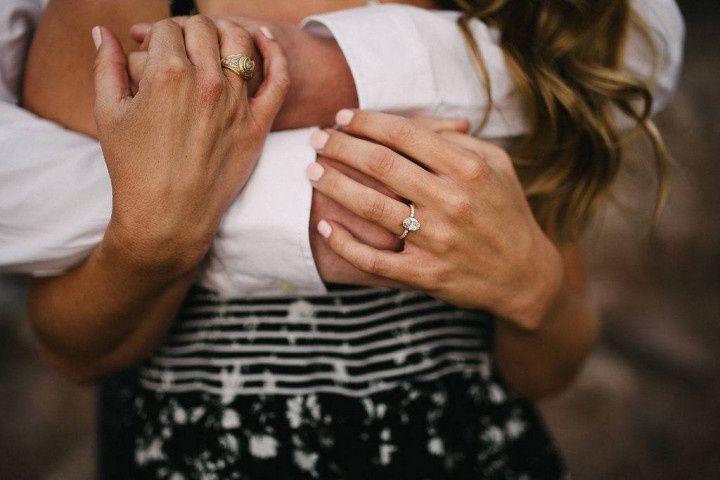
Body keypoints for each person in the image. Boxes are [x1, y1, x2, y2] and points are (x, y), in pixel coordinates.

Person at [1, 0, 684, 478]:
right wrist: (157, 240)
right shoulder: (120, 11)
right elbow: (72, 348)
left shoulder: (511, 14)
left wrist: (534, 286)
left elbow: (553, 365)